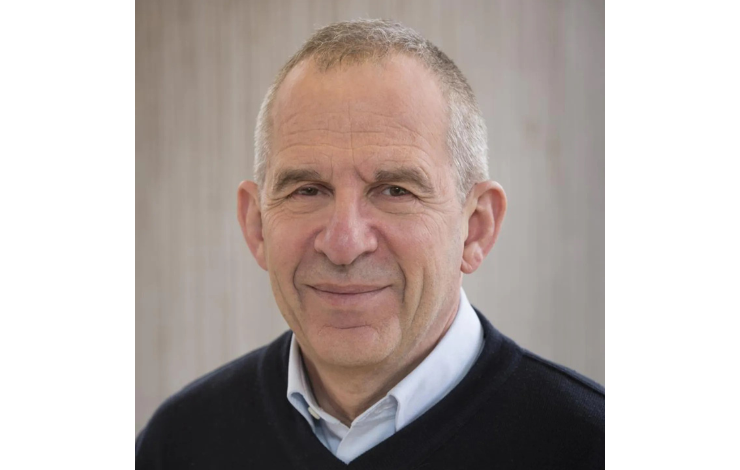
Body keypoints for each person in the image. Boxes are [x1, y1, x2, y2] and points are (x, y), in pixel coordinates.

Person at [135, 19, 604, 469]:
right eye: (308, 190)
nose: (344, 244)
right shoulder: (178, 445)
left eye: (395, 190)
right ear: (257, 225)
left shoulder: (587, 446)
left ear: (476, 228)